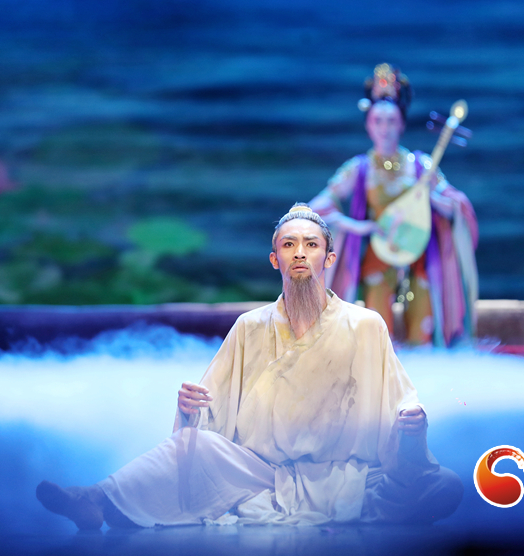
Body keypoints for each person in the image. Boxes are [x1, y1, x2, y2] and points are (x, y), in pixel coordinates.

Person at [36, 204, 463, 529]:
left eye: (311, 245)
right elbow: (210, 415)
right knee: (197, 446)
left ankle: (125, 507)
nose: (300, 253)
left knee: (445, 486)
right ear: (275, 259)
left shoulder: (365, 325)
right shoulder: (250, 326)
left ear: (329, 258)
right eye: (289, 245)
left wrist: (413, 427)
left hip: (349, 478)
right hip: (261, 475)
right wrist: (190, 408)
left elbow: (399, 408)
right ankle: (95, 500)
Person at [310, 63, 479, 346]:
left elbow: (456, 209)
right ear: (368, 126)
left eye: (391, 121)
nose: (385, 128)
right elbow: (317, 207)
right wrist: (357, 226)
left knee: (423, 334)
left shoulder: (421, 165)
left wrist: (432, 197)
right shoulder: (358, 168)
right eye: (378, 121)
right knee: (377, 338)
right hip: (378, 258)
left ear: (402, 124)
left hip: (419, 261)